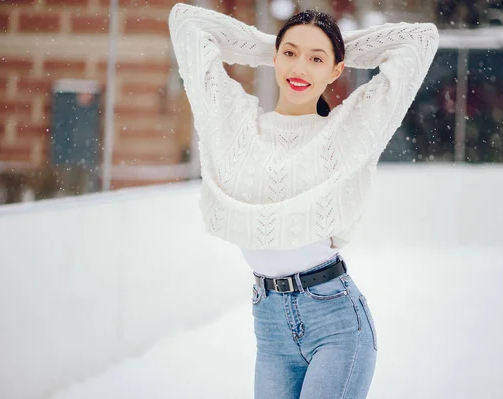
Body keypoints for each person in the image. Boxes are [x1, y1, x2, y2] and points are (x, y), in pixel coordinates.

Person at [169, 3, 438, 398]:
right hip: (271, 324)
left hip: (336, 322)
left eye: (317, 59)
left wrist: (332, 46)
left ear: (335, 70)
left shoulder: (348, 131)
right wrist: (274, 46)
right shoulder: (237, 127)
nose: (300, 68)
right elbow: (186, 22)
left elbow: (419, 39)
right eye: (290, 54)